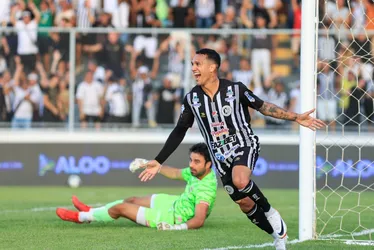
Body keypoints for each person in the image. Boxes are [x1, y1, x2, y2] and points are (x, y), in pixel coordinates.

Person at [139, 48, 325, 249]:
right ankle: (278, 237)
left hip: (243, 144)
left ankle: (269, 210)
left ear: (213, 67)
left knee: (240, 180)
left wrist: (295, 117)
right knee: (244, 203)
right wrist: (159, 160)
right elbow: (179, 130)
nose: (193, 68)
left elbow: (263, 107)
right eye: (192, 64)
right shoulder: (192, 98)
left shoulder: (235, 89)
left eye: (197, 64)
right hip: (219, 158)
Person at [56, 143, 217, 230]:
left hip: (171, 217)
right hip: (174, 204)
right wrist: (154, 165)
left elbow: (199, 219)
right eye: (191, 160)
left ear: (208, 165)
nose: (191, 165)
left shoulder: (206, 189)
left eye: (196, 162)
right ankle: (90, 211)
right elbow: (175, 173)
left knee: (120, 208)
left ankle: (81, 217)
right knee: (132, 199)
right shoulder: (196, 172)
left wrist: (175, 228)